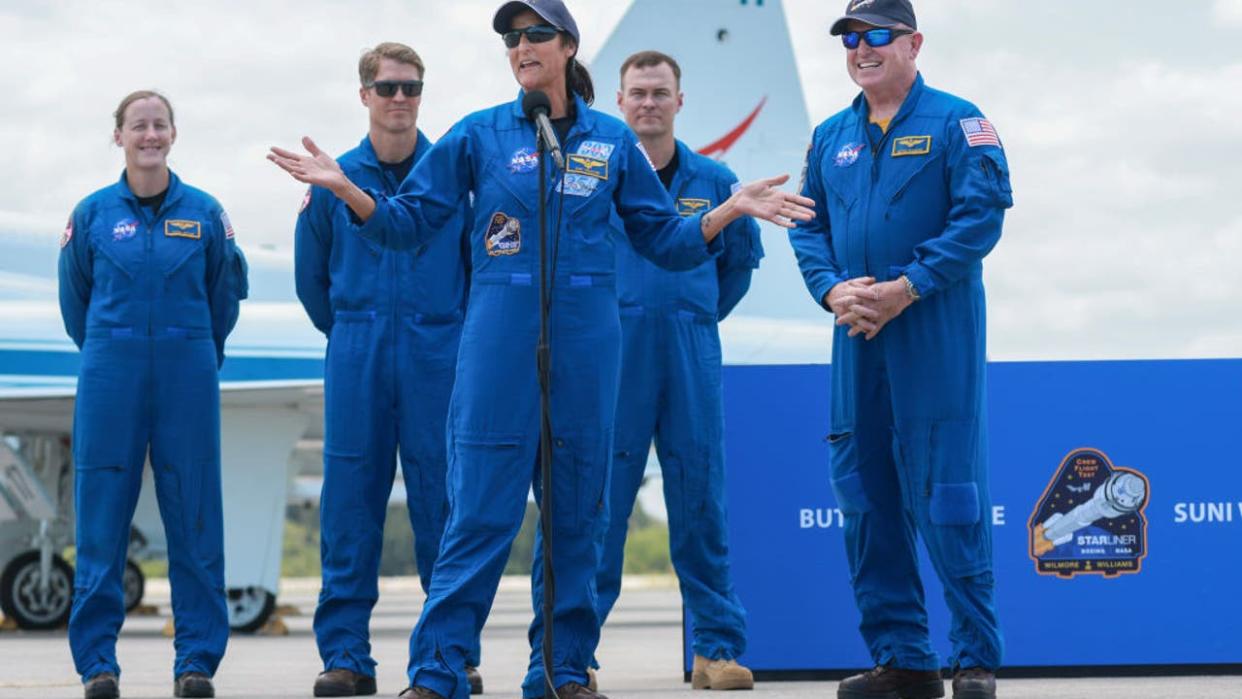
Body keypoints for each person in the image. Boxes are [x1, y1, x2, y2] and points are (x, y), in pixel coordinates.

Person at [268, 2, 814, 698]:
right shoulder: (478, 136)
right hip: (499, 341)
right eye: (510, 37)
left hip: (587, 347)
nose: (519, 45)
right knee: (477, 514)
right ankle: (438, 671)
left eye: (533, 34)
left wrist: (725, 211)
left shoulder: (611, 143)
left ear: (566, 47)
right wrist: (348, 189)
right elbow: (408, 226)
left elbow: (664, 241)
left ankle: (558, 668)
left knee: (577, 516)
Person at [787, 2, 1012, 698]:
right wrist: (830, 291)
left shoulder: (958, 122)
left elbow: (981, 217)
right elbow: (806, 227)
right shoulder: (829, 137)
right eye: (851, 38)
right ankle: (904, 659)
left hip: (931, 330)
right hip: (855, 334)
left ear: (913, 42)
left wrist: (908, 286)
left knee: (947, 492)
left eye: (877, 35)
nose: (862, 48)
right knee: (864, 494)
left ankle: (973, 658)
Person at [294, 43, 482, 698]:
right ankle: (346, 656)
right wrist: (356, 330)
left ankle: (451, 653)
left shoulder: (453, 178)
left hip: (439, 353)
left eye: (411, 88)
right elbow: (313, 283)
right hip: (358, 351)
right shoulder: (331, 179)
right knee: (349, 504)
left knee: (446, 506)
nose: (400, 99)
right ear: (365, 94)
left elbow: (477, 269)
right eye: (388, 87)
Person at [58, 90, 249, 699]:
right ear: (118, 136)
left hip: (187, 368)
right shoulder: (89, 216)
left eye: (159, 125)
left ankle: (195, 662)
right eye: (137, 126)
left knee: (194, 516)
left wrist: (193, 351)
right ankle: (97, 665)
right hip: (109, 370)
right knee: (100, 520)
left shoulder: (206, 212)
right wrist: (112, 349)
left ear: (173, 134)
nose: (149, 135)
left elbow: (224, 297)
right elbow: (74, 304)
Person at [592, 50, 759, 691]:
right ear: (620, 100)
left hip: (690, 352)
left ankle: (715, 648)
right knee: (597, 508)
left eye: (661, 93)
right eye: (638, 93)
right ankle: (574, 648)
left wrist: (695, 314)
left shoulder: (716, 182)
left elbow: (737, 267)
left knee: (700, 504)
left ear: (679, 102)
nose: (649, 103)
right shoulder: (595, 177)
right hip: (614, 360)